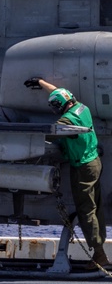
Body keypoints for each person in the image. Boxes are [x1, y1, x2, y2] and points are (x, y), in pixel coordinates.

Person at [26, 77, 109, 269]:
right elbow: (60, 91)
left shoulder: (68, 120)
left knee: (86, 210)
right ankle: (100, 248)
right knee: (96, 207)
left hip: (83, 169)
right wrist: (40, 82)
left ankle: (99, 254)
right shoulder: (81, 107)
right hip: (95, 162)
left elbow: (49, 133)